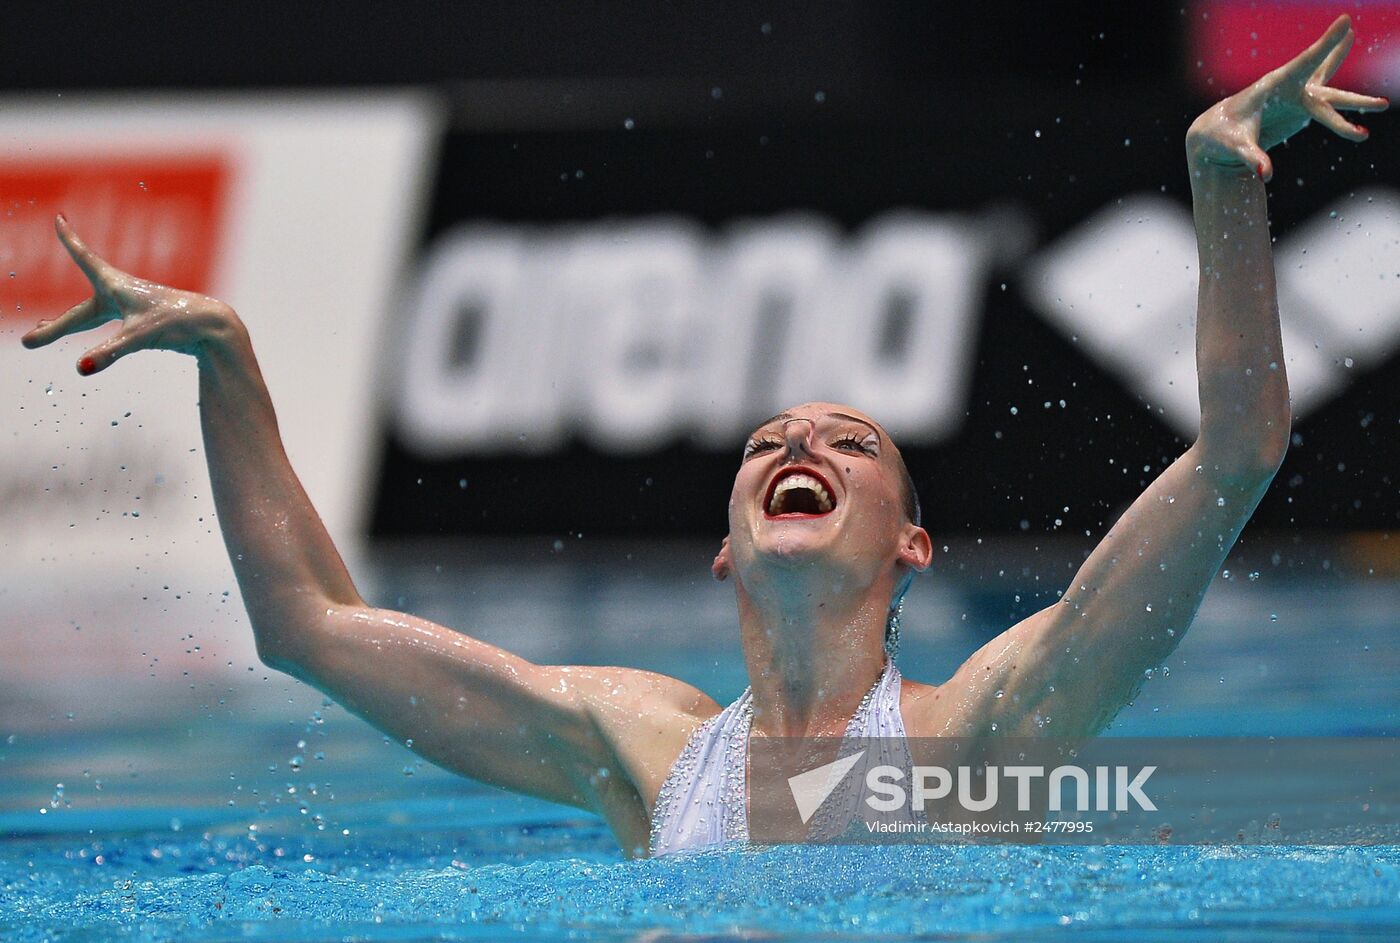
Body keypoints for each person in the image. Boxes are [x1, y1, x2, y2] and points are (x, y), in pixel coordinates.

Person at [21, 16, 1387, 858]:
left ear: (915, 542)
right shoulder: (642, 751)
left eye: (849, 441)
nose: (797, 436)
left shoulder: (989, 727)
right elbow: (309, 628)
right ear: (726, 553)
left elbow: (1235, 453)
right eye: (769, 443)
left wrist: (1221, 181)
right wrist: (227, 356)